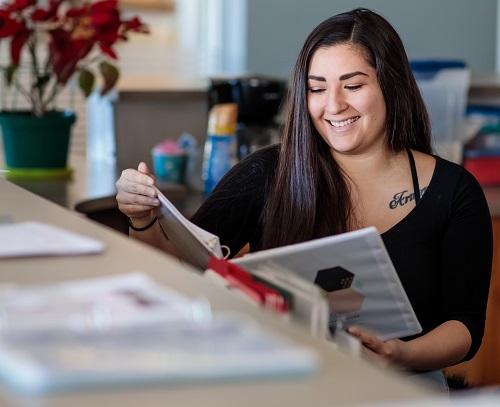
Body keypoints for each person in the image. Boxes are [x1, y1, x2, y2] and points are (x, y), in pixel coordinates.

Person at [116, 8, 493, 393]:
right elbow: (178, 268)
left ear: (391, 86)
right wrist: (142, 218)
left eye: (353, 85)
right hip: (286, 381)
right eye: (317, 88)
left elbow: (463, 326)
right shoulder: (266, 173)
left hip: (403, 386)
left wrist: (400, 354)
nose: (333, 105)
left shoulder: (455, 190)